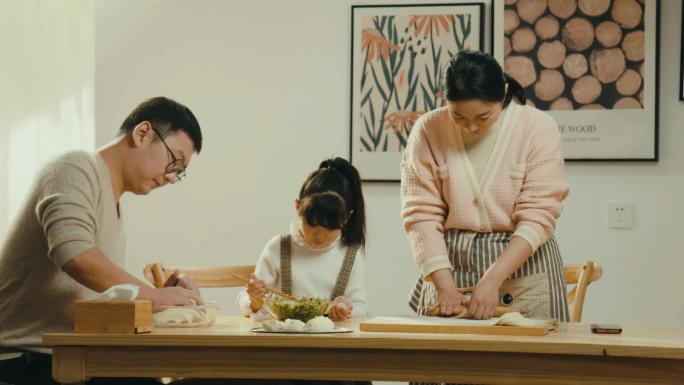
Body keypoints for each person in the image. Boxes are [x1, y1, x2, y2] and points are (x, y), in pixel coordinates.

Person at [0, 96, 204, 384]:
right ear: (142, 133)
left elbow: (94, 294)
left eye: (179, 173)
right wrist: (155, 295)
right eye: (175, 162)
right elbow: (76, 256)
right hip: (24, 359)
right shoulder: (74, 167)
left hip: (67, 356)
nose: (172, 178)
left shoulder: (113, 203)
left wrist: (156, 300)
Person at [402, 50, 570, 328]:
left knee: (531, 368)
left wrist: (492, 280)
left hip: (523, 265)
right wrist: (444, 286)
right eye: (458, 116)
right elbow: (420, 213)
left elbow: (539, 213)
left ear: (503, 93)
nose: (470, 127)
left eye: (483, 117)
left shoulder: (537, 127)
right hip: (450, 269)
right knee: (440, 367)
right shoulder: (428, 129)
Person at [237, 157, 368, 324]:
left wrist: (346, 309)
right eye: (312, 225)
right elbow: (244, 299)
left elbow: (361, 307)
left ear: (347, 218)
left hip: (333, 346)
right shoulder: (279, 247)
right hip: (284, 345)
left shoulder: (350, 255)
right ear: (298, 207)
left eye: (330, 228)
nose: (320, 236)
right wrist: (254, 301)